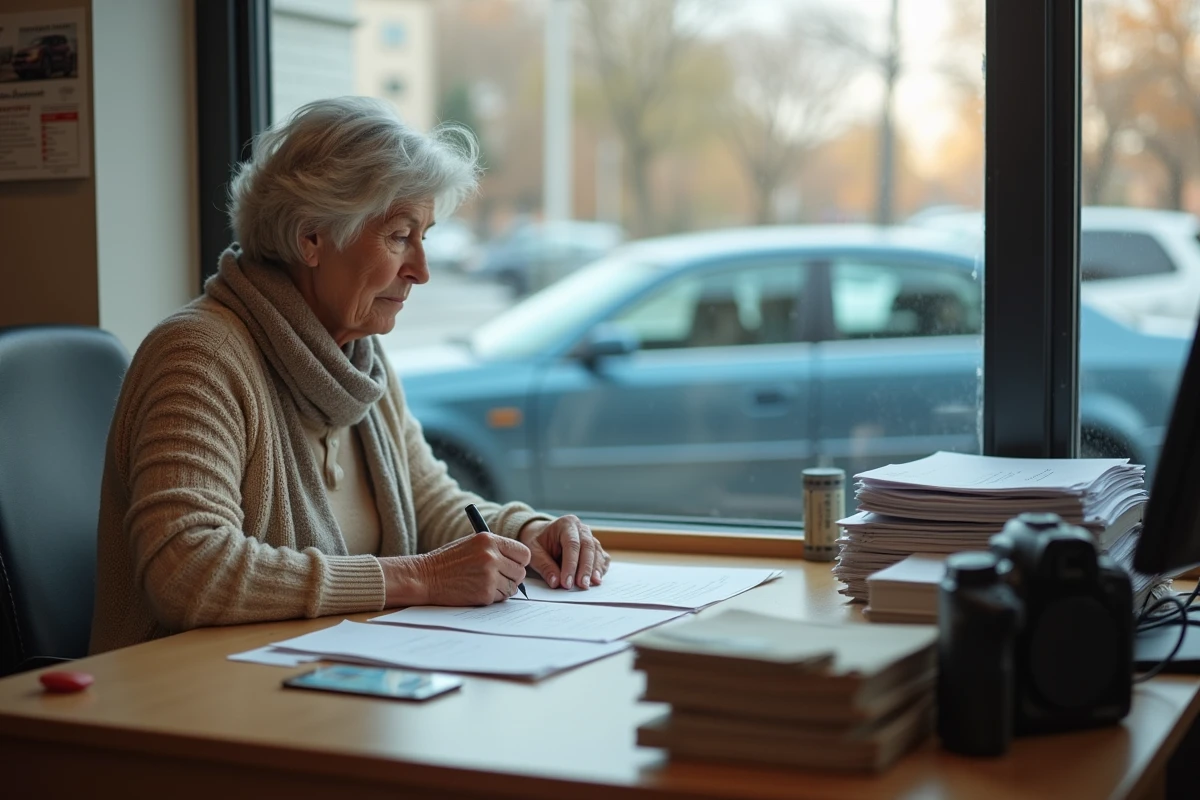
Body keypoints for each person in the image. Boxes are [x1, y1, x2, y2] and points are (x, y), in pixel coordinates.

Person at [89, 97, 610, 654]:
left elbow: (429, 503)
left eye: (424, 236)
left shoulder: (360, 354)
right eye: (399, 235)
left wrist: (528, 535)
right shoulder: (197, 355)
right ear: (311, 237)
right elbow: (187, 570)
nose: (422, 271)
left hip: (312, 680)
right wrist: (419, 578)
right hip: (179, 699)